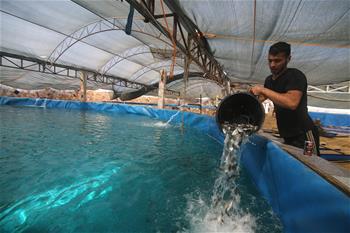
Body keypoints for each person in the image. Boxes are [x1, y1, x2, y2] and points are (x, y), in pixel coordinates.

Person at [250, 42, 320, 156]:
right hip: (287, 134)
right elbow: (258, 100)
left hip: (304, 134)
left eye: (277, 61)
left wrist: (263, 90)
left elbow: (292, 103)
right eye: (270, 60)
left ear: (288, 59)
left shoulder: (295, 76)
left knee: (311, 167)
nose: (272, 65)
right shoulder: (269, 80)